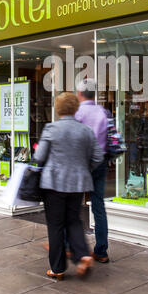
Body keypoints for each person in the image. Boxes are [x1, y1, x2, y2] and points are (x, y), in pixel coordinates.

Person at [34, 92, 104, 280]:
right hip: (78, 183)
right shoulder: (86, 131)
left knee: (56, 226)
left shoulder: (51, 128)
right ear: (75, 109)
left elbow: (39, 157)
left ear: (57, 109)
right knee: (73, 221)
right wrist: (83, 168)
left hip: (53, 184)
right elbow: (98, 157)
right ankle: (83, 256)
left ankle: (57, 269)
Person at [75, 79, 110, 263]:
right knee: (98, 207)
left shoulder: (78, 113)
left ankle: (73, 247)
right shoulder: (104, 112)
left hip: (81, 163)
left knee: (72, 206)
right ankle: (101, 251)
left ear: (80, 93)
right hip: (101, 162)